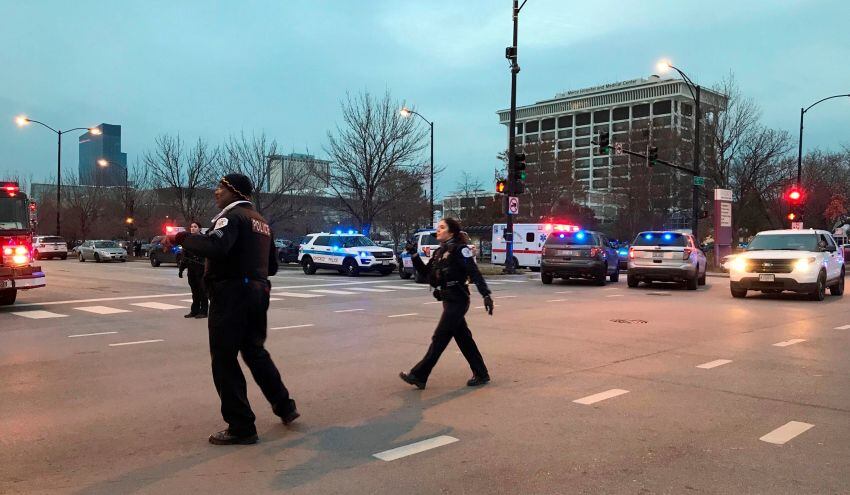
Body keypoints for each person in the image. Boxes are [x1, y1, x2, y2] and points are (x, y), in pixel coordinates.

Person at [169, 173, 298, 445]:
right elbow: (272, 266)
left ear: (234, 191)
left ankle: (241, 426)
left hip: (231, 294)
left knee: (224, 359)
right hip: (258, 291)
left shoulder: (231, 217)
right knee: (255, 352)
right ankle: (285, 406)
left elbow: (217, 246)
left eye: (220, 188)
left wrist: (183, 238)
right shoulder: (261, 222)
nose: (216, 192)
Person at [399, 218, 494, 390]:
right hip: (447, 299)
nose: (438, 230)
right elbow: (426, 273)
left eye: (442, 227)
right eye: (438, 228)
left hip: (458, 299)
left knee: (440, 337)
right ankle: (481, 373)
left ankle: (419, 375)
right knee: (464, 339)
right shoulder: (440, 251)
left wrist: (486, 294)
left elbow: (474, 272)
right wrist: (414, 255)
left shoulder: (460, 250)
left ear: (452, 231)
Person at [178, 222, 208, 319]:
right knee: (194, 291)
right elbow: (184, 256)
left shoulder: (204, 239)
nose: (193, 228)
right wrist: (181, 269)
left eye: (195, 227)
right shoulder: (188, 240)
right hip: (191, 269)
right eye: (191, 227)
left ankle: (203, 311)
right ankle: (194, 310)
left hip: (201, 269)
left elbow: (208, 253)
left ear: (199, 229)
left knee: (202, 290)